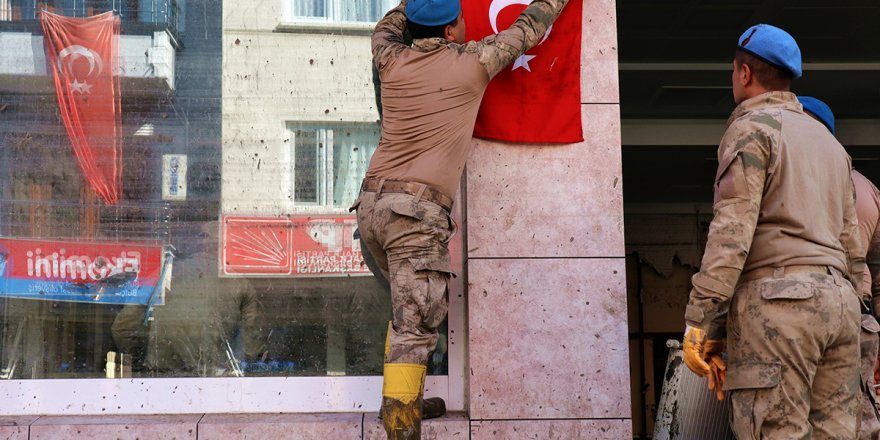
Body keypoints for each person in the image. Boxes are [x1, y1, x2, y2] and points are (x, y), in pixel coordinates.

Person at [350, 0, 571, 438]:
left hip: (372, 209)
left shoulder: (389, 55)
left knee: (405, 317)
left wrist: (412, 7)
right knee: (414, 329)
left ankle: (405, 403)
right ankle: (399, 423)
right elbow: (529, 27)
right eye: (461, 20)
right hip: (414, 216)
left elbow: (386, 25)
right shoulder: (473, 62)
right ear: (452, 32)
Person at [681, 24, 865, 438]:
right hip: (840, 306)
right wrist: (862, 311)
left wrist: (701, 319)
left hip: (781, 309)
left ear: (744, 74)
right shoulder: (830, 144)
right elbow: (853, 247)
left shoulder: (752, 129)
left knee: (775, 430)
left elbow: (732, 233)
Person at [799, 95, 880, 440]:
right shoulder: (869, 189)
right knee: (858, 423)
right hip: (860, 319)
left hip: (800, 311)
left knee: (792, 419)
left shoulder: (792, 177)